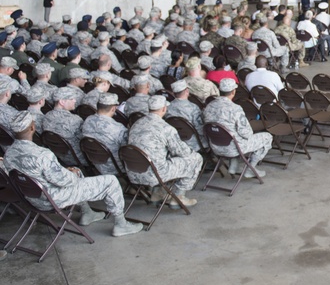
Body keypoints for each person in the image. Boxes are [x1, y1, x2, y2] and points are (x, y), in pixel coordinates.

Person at [4, 111, 143, 238]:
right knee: (111, 181)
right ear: (32, 128)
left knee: (75, 170)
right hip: (53, 198)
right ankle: (121, 224)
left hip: (32, 198)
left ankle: (87, 213)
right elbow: (64, 181)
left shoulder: (9, 154)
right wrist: (72, 174)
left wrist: (70, 172)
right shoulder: (42, 154)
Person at [127, 95, 203, 208]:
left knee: (160, 157)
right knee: (196, 159)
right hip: (155, 174)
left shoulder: (136, 124)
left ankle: (156, 194)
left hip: (133, 172)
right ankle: (178, 197)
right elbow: (182, 152)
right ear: (164, 109)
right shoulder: (166, 128)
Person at [203, 78, 273, 177]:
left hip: (215, 147)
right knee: (267, 137)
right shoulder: (235, 109)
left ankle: (234, 163)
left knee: (230, 134)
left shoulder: (209, 106)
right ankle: (250, 168)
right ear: (233, 92)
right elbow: (247, 134)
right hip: (234, 148)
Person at [80, 92, 128, 175]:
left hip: (95, 163)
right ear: (113, 108)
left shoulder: (87, 120)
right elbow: (127, 149)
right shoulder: (118, 128)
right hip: (114, 167)